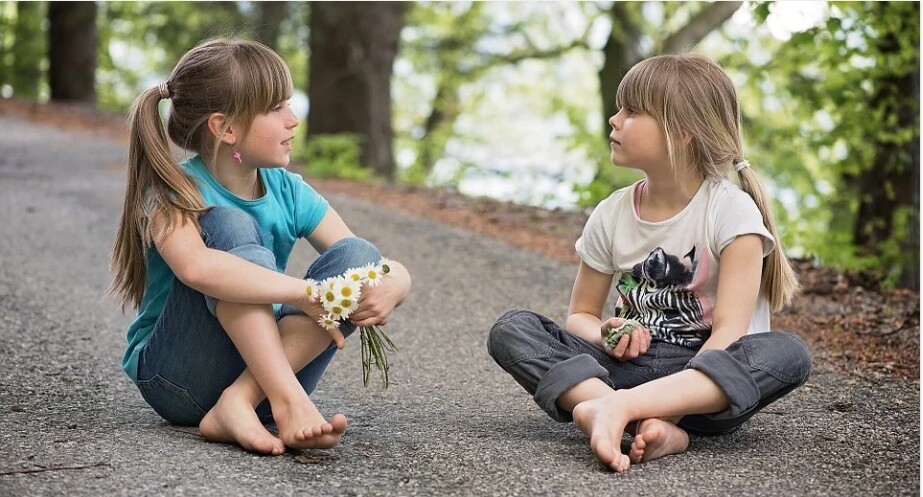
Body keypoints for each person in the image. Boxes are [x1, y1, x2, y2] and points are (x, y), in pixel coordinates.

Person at [487, 53, 811, 472]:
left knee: (787, 353)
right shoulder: (613, 212)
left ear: (682, 133)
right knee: (513, 329)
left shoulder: (731, 213)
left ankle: (608, 411)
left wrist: (667, 410)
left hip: (702, 388)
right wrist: (607, 333)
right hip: (621, 369)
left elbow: (729, 334)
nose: (615, 120)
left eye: (633, 112)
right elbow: (581, 314)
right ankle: (622, 414)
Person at [108, 38, 411, 455]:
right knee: (229, 224)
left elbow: (363, 259)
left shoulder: (288, 190)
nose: (293, 120)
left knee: (358, 256)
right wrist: (305, 293)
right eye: (276, 108)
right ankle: (285, 400)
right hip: (180, 379)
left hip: (266, 378)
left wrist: (397, 281)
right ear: (225, 128)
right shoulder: (172, 192)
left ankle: (242, 401)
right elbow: (196, 269)